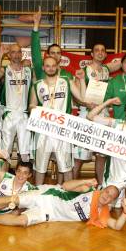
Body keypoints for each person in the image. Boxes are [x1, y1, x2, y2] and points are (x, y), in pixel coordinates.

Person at [74, 29, 126, 183]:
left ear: (105, 54)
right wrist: (85, 103)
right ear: (91, 54)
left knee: (101, 154)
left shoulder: (107, 69)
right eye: (96, 50)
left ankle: (101, 184)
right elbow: (77, 98)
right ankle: (74, 186)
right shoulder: (83, 71)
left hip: (101, 113)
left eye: (102, 50)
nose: (100, 52)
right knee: (80, 155)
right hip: (87, 114)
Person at [0, 183, 126, 231]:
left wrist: (125, 212)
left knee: (22, 222)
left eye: (111, 196)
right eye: (107, 191)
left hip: (49, 213)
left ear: (112, 201)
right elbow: (65, 185)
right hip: (48, 195)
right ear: (103, 189)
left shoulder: (102, 212)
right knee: (15, 200)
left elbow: (116, 226)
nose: (106, 195)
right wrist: (85, 182)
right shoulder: (89, 191)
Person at [28, 56, 85, 185]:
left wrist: (81, 80)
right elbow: (31, 106)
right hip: (44, 130)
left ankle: (69, 195)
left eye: (53, 65)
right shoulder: (37, 85)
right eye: (47, 66)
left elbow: (82, 97)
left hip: (62, 129)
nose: (51, 68)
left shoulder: (66, 81)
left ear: (57, 66)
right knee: (40, 166)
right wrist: (37, 111)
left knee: (66, 166)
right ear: (43, 68)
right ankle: (38, 195)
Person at [88, 98, 126, 217]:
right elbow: (90, 116)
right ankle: (119, 193)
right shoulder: (116, 124)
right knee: (106, 208)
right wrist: (108, 102)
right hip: (114, 175)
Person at [0, 43, 32, 171]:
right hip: (9, 115)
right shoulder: (6, 69)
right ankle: (2, 180)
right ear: (8, 55)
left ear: (22, 54)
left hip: (24, 115)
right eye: (13, 52)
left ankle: (24, 182)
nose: (16, 54)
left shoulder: (28, 70)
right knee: (5, 152)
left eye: (19, 52)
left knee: (25, 153)